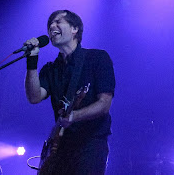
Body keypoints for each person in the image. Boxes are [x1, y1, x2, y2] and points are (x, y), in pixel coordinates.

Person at [24, 10, 115, 175]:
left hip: (90, 144)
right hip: (61, 145)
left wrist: (74, 116)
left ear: (75, 29)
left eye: (58, 21)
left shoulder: (97, 58)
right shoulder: (51, 69)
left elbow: (104, 104)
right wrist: (32, 61)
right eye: (50, 23)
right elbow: (34, 97)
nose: (52, 26)